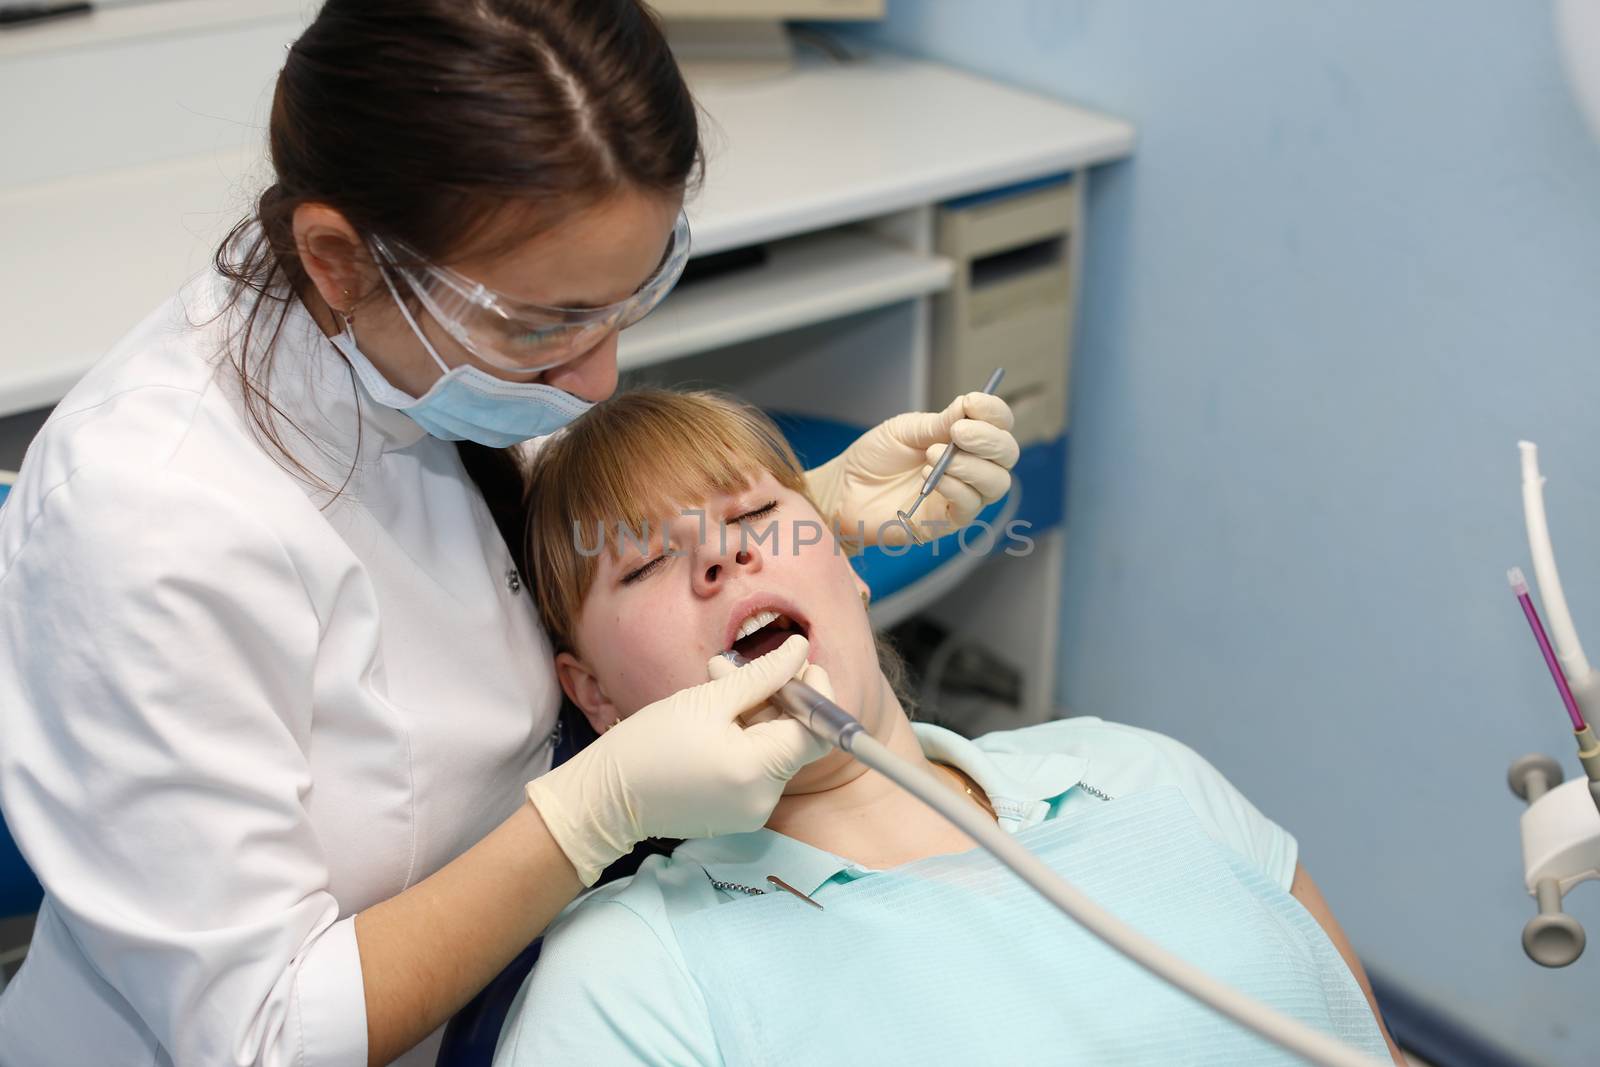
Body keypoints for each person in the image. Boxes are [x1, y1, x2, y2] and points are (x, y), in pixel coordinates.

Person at [0, 4, 1017, 1065]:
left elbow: (527, 558)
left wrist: (797, 510)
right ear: (338, 258)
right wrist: (593, 811)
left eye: (628, 300)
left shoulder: (432, 361)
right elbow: (260, 1038)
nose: (597, 379)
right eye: (540, 327)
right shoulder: (146, 521)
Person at [495, 389, 1407, 1066]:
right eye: (650, 559)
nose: (723, 555)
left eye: (758, 515)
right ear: (596, 698)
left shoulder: (1137, 771)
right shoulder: (631, 975)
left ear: (847, 566)